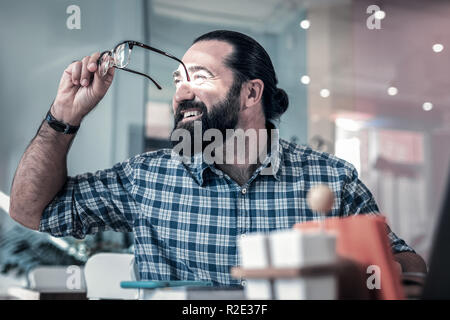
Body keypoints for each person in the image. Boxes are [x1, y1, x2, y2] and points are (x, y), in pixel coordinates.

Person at [9, 30, 426, 287]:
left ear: (251, 93)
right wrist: (64, 116)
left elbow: (409, 266)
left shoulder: (332, 179)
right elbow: (30, 212)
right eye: (177, 79)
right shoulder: (143, 178)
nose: (180, 91)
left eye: (200, 76)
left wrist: (352, 267)